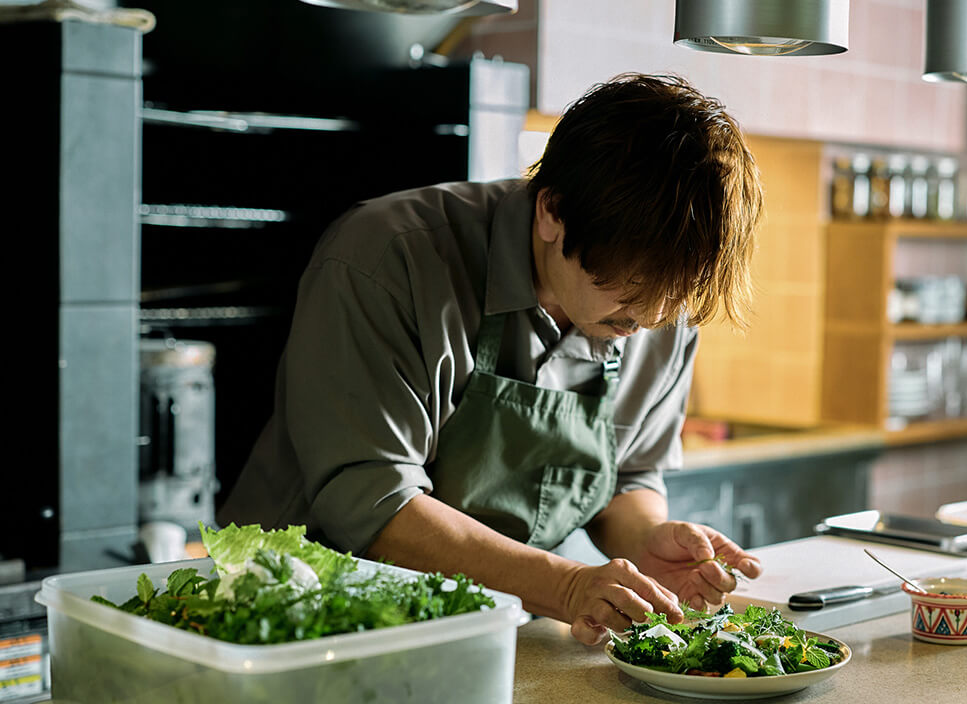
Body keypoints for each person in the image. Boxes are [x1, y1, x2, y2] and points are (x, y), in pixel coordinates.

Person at [217, 72, 764, 645]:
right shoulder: (387, 258)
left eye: (674, 300)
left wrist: (646, 537)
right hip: (299, 619)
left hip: (482, 634)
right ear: (552, 212)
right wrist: (567, 586)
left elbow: (629, 473)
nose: (648, 323)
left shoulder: (665, 309)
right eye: (628, 293)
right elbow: (373, 500)